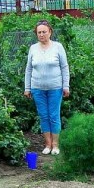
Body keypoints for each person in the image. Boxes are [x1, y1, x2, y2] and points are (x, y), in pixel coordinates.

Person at [24, 19, 70, 155]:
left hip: (55, 88)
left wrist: (66, 86)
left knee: (54, 115)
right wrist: (27, 88)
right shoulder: (33, 48)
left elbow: (64, 67)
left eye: (44, 32)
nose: (41, 34)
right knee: (43, 116)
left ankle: (55, 145)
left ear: (50, 32)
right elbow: (28, 69)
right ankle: (48, 145)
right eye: (39, 32)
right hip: (37, 89)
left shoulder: (58, 47)